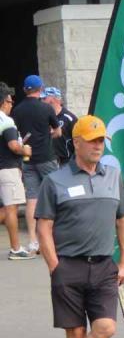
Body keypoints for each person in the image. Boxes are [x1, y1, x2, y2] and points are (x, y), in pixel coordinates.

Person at [36, 115, 124, 338]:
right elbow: (43, 228)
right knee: (76, 336)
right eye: (92, 140)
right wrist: (55, 266)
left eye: (101, 140)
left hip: (104, 266)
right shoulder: (55, 180)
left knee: (105, 328)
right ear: (76, 143)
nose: (98, 146)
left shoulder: (113, 176)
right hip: (68, 266)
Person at [12, 74, 61, 254]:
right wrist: (48, 135)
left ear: (25, 90)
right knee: (56, 195)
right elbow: (58, 131)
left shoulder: (17, 110)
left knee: (32, 198)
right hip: (47, 157)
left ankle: (33, 241)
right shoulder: (46, 108)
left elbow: (16, 133)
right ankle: (55, 238)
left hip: (28, 159)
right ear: (40, 89)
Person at [0, 83, 33, 259]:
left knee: (6, 208)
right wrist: (24, 149)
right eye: (10, 101)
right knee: (11, 209)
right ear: (3, 102)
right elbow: (13, 146)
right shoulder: (6, 122)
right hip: (8, 169)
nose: (11, 105)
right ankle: (15, 248)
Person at [42, 87, 77, 165]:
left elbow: (79, 139)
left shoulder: (69, 118)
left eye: (44, 98)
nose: (41, 101)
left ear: (53, 99)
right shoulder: (43, 117)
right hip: (48, 162)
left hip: (66, 162)